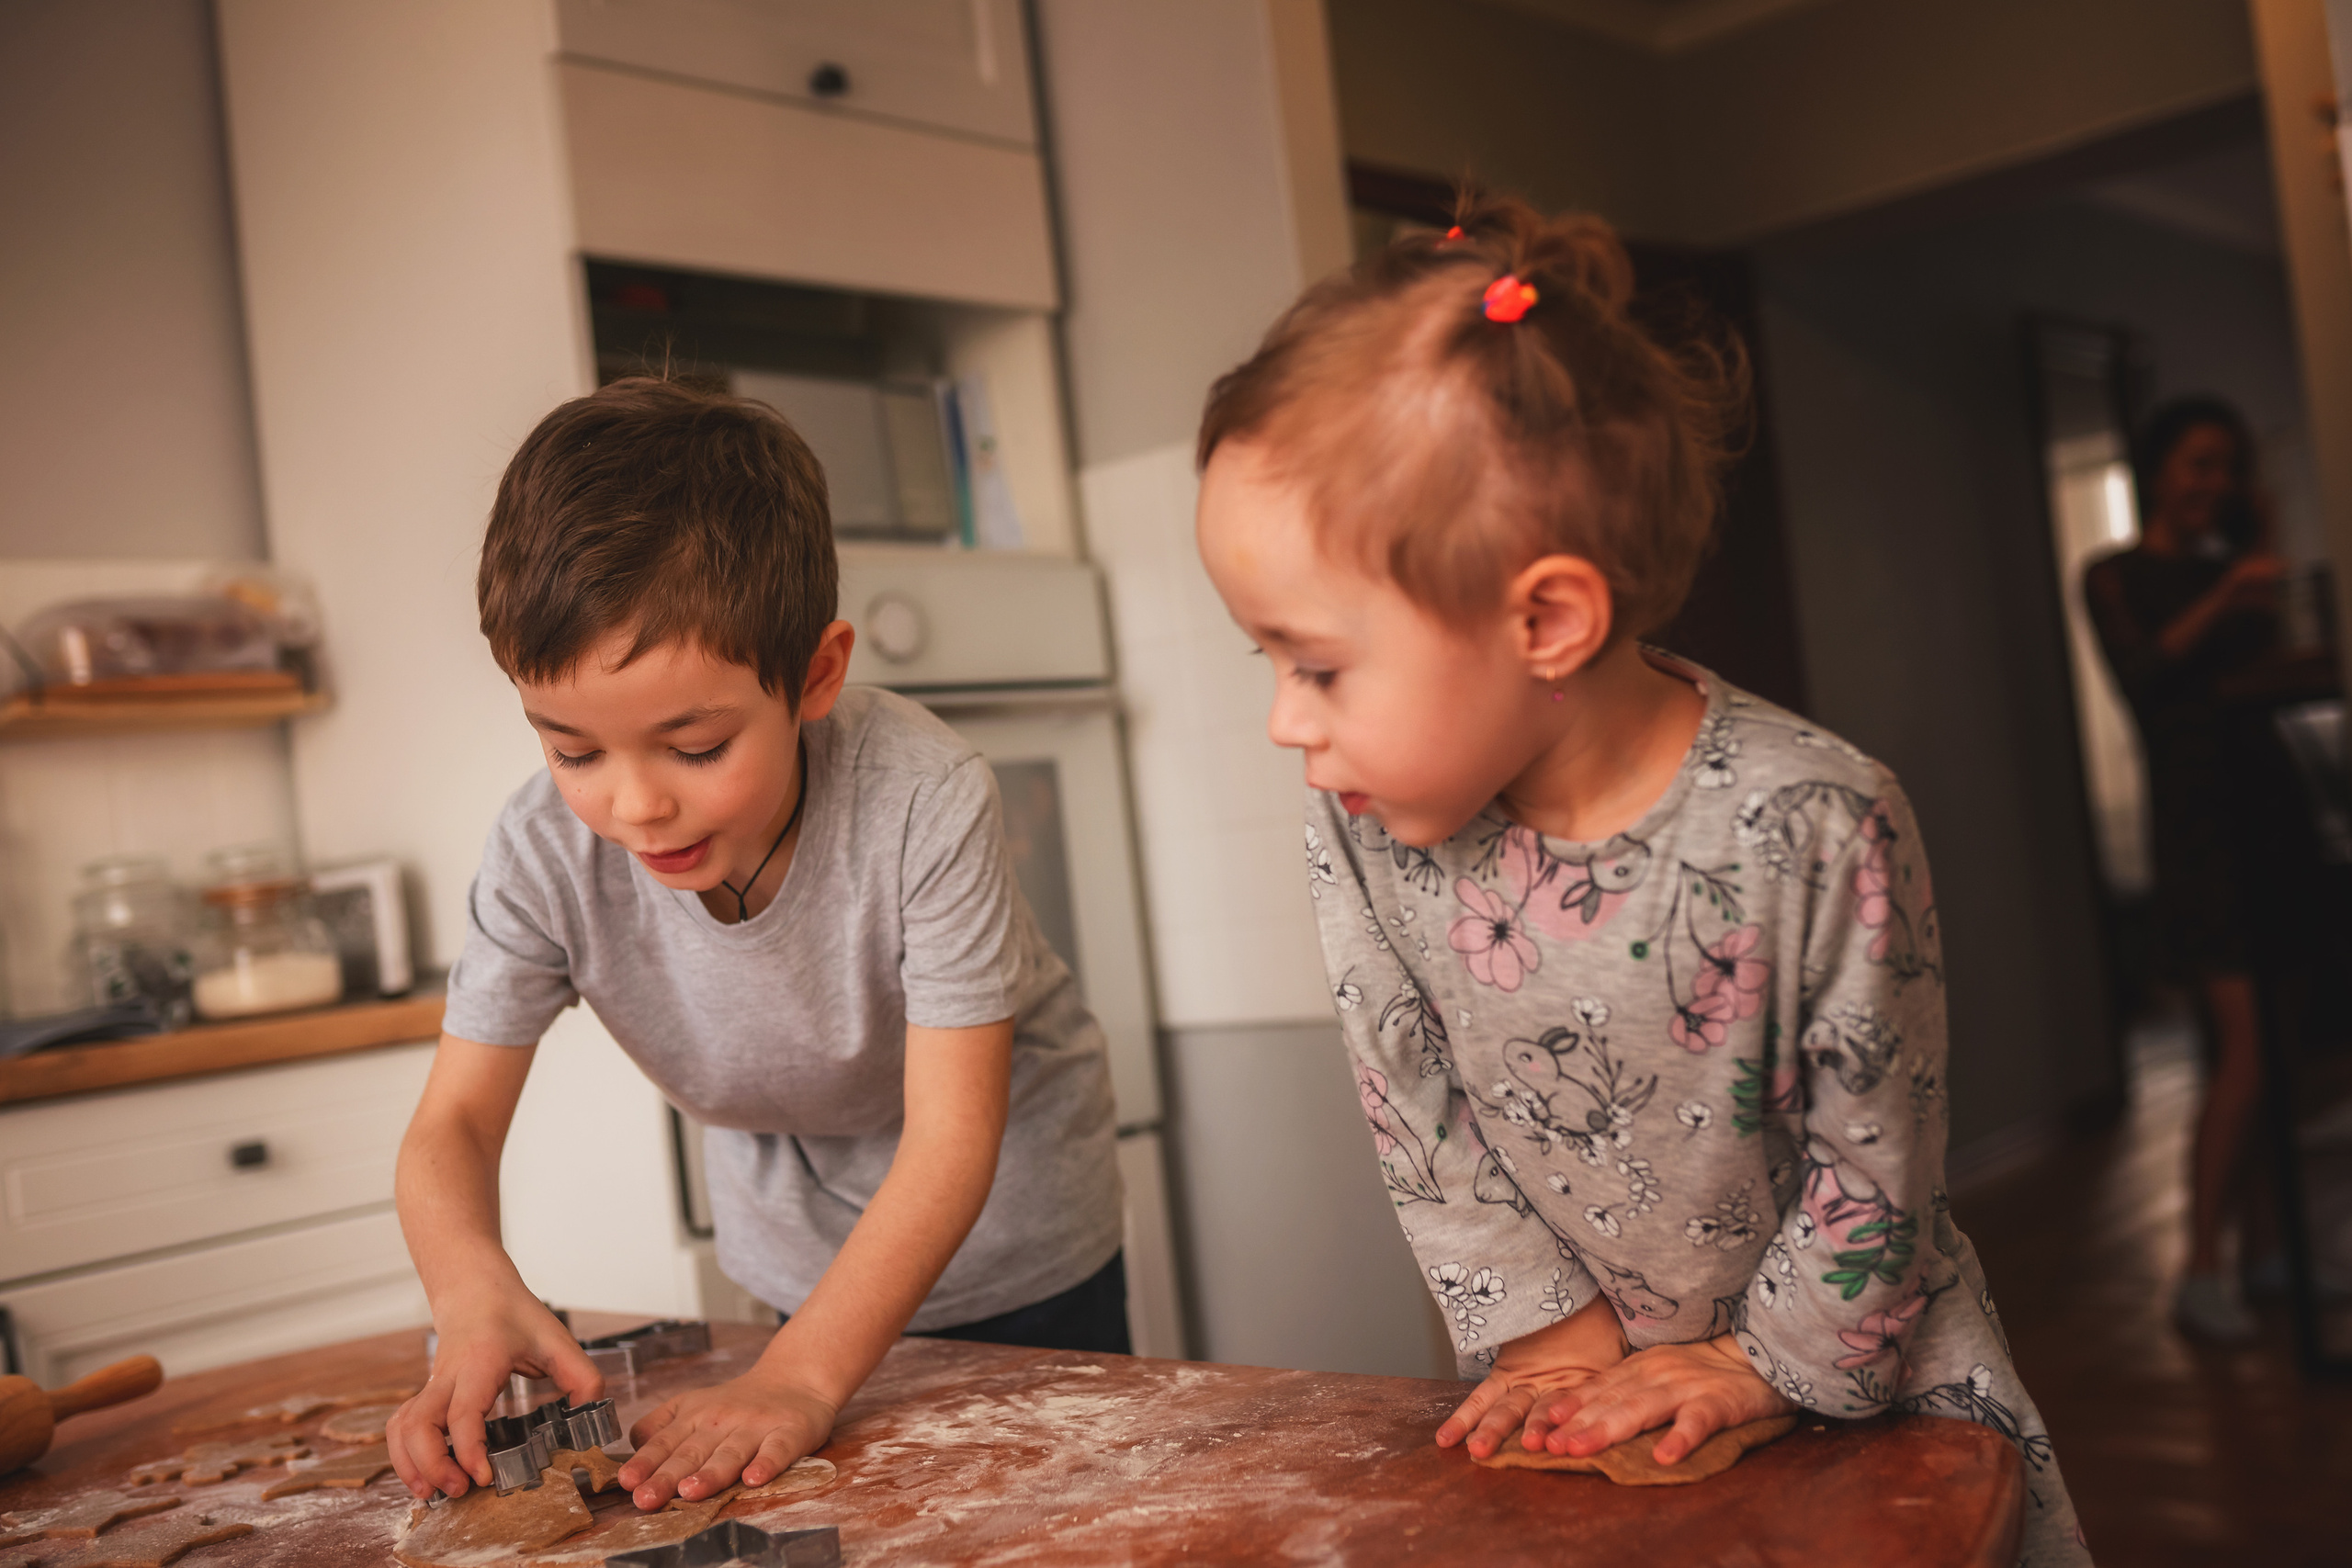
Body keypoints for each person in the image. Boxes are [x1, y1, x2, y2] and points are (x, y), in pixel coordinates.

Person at [1193, 197, 2089, 1564]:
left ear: (1546, 618)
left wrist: (1758, 1363)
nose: (1285, 722)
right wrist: (1551, 1336)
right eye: (1266, 661)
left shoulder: (1812, 820)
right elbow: (1408, 1091)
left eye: (1316, 665)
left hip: (1864, 1391)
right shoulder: (1366, 813)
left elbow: (1876, 1153)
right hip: (1577, 1378)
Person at [384, 378, 1125, 1510]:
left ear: (816, 675)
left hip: (1018, 1255)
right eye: (574, 752)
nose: (636, 806)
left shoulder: (922, 797)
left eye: (695, 747)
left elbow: (951, 1140)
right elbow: (453, 1123)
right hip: (807, 1268)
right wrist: (467, 1286)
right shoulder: (542, 853)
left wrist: (800, 1378)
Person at [2083, 398, 2283, 1345]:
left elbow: (2268, 674)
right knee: (2242, 1048)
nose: (2214, 483)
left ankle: (2265, 1250)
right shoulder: (2114, 575)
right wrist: (2228, 592)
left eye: (2226, 467)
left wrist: (2260, 542)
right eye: (2199, 463)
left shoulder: (2231, 571)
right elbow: (2142, 675)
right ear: (2158, 468)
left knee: (2265, 1051)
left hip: (2265, 818)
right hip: (2196, 832)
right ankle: (2200, 1265)